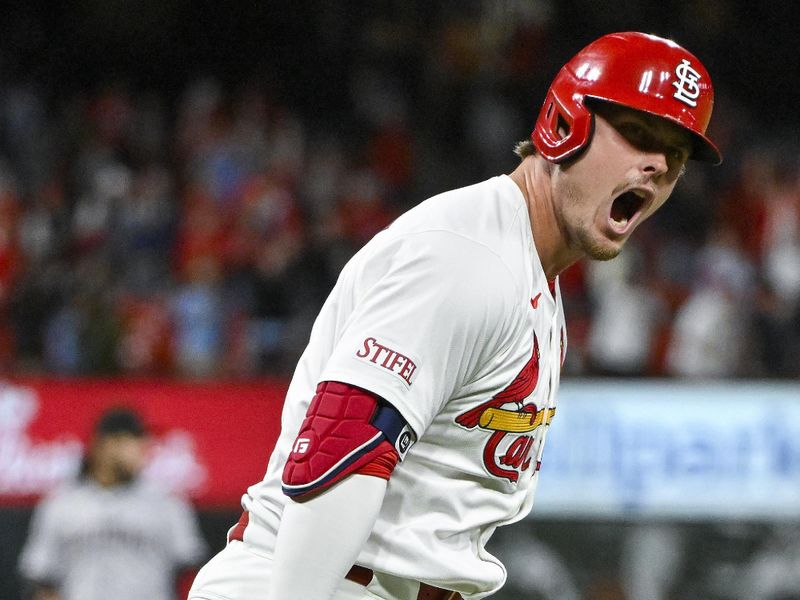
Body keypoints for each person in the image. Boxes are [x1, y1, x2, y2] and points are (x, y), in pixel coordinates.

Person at [188, 31, 722, 600]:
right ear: (564, 125)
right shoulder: (469, 257)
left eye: (678, 153)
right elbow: (347, 443)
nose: (659, 164)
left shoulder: (529, 270)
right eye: (638, 134)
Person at [19, 407, 207, 600]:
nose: (144, 449)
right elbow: (42, 577)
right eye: (134, 440)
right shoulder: (60, 503)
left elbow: (191, 572)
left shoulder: (168, 503)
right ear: (105, 445)